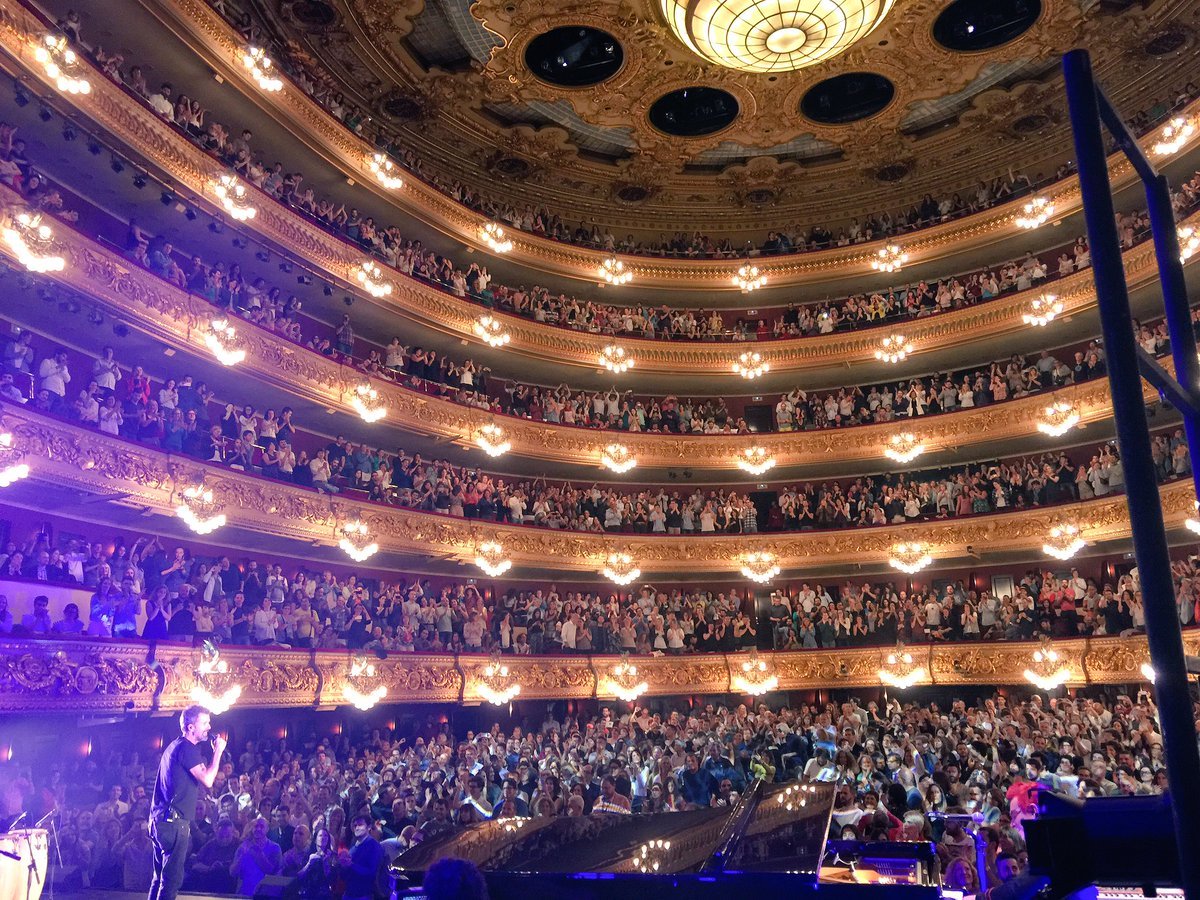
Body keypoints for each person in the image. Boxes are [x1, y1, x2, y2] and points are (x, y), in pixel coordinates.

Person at [148, 705, 226, 900]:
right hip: (174, 824)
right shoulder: (187, 748)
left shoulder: (176, 746)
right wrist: (218, 752)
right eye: (205, 723)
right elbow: (208, 780)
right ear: (191, 727)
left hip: (160, 821)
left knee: (159, 879)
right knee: (171, 881)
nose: (209, 727)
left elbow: (198, 773)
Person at [338, 814, 384, 900]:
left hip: (363, 896)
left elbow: (372, 872)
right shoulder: (353, 847)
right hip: (348, 894)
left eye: (360, 824)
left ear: (369, 827)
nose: (357, 828)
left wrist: (351, 865)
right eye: (355, 825)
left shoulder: (374, 846)